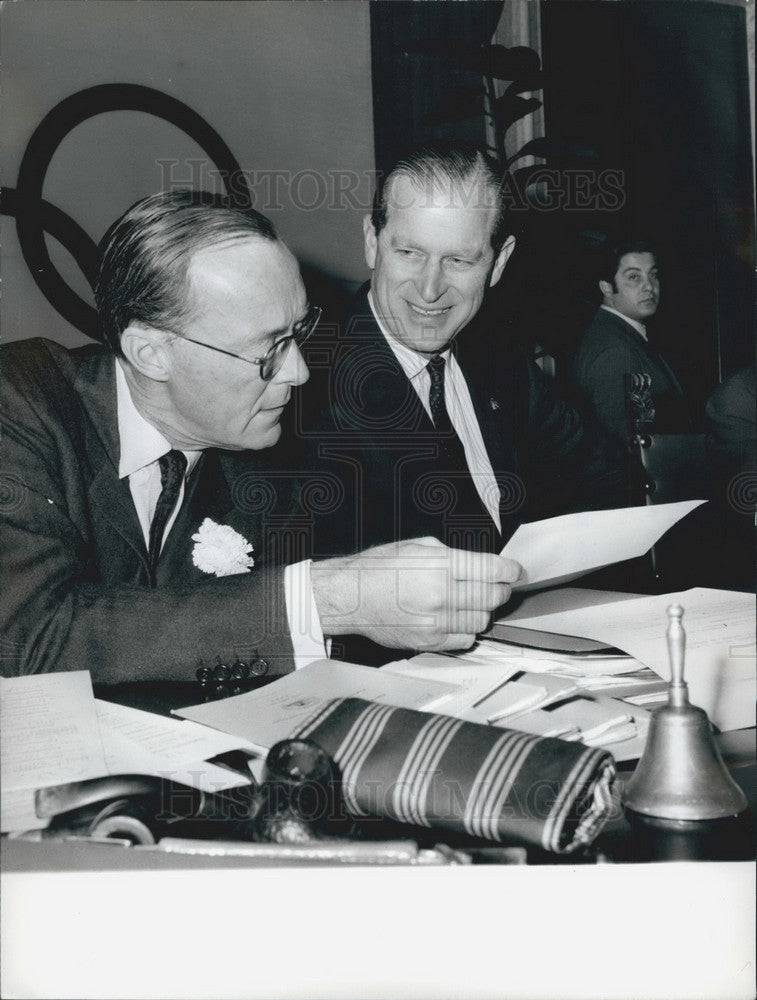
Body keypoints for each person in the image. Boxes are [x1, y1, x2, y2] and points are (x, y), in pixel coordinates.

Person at [0, 191, 519, 684]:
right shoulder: (20, 404)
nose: (297, 372)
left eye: (297, 333)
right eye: (267, 350)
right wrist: (332, 596)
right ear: (150, 353)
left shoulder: (266, 450)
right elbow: (31, 640)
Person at [295, 143, 624, 565]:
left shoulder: (501, 361)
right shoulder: (305, 384)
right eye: (409, 253)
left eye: (459, 260)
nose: (430, 289)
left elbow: (602, 480)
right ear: (372, 243)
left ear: (499, 263)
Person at [571, 239, 690, 448]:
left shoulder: (621, 335)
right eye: (634, 277)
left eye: (653, 274)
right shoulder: (613, 351)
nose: (649, 286)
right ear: (607, 287)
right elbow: (623, 452)